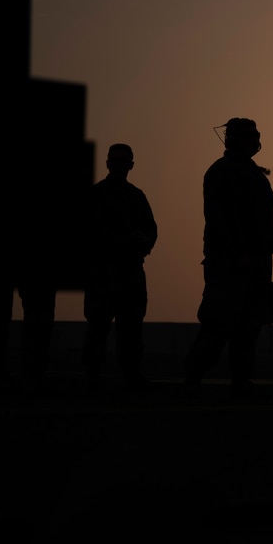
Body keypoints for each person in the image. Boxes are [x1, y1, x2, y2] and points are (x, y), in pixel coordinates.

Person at [184, 118, 273, 397]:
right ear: (234, 139)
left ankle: (241, 380)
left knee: (249, 326)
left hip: (258, 260)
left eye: (256, 135)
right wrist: (238, 253)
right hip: (231, 262)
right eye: (249, 136)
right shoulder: (222, 172)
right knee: (218, 322)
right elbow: (218, 219)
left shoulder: (252, 172)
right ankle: (193, 377)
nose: (255, 140)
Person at [80, 143, 158, 393]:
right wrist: (117, 240)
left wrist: (140, 244)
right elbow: (87, 232)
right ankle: (92, 374)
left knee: (131, 327)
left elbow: (151, 231)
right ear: (107, 163)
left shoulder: (137, 196)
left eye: (122, 160)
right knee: (98, 325)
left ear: (130, 165)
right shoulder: (96, 195)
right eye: (114, 159)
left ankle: (131, 374)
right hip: (103, 272)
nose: (117, 164)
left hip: (131, 272)